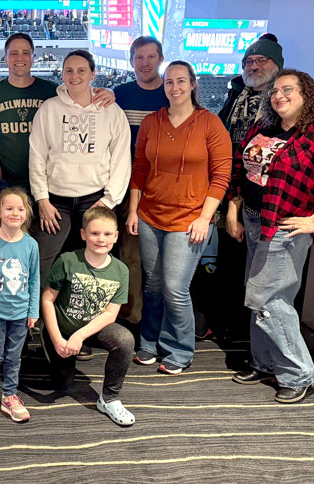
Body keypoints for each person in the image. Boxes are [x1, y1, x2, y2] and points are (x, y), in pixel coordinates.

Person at [126, 61, 231, 375]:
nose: (174, 87)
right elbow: (139, 170)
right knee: (153, 286)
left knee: (175, 287)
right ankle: (149, 342)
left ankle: (179, 349)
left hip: (189, 221)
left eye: (181, 81)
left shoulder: (210, 123)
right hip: (149, 216)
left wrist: (204, 217)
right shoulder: (152, 122)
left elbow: (222, 175)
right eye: (169, 82)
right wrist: (133, 209)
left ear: (193, 84)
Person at [227, 69, 314, 403]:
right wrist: (234, 208)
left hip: (285, 229)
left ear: (306, 94)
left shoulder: (310, 136)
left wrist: (312, 222)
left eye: (287, 89)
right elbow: (242, 170)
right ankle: (265, 362)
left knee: (268, 301)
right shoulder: (263, 128)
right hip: (253, 221)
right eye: (275, 90)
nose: (279, 95)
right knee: (260, 298)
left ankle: (299, 373)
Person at [29, 49, 131, 287]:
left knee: (95, 261)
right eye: (69, 71)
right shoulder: (49, 109)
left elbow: (121, 160)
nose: (75, 76)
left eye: (81, 70)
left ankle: (92, 319)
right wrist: (42, 199)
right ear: (62, 74)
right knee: (45, 261)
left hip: (95, 198)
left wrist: (108, 201)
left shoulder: (111, 111)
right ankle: (38, 319)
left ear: (93, 74)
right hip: (55, 200)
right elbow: (37, 156)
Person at [0, 33, 114, 193]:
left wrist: (109, 92)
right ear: (6, 58)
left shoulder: (53, 91)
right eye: (14, 53)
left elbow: (82, 97)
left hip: (49, 182)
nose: (20, 58)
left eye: (26, 53)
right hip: (7, 183)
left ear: (33, 57)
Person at [216, 34, 284, 340]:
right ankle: (230, 323)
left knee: (260, 273)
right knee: (231, 261)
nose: (254, 66)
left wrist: (237, 202)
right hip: (230, 187)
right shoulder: (237, 94)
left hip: (261, 198)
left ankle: (253, 331)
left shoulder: (281, 100)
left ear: (276, 65)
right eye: (249, 61)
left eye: (261, 61)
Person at [42, 206, 135, 426]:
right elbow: (47, 299)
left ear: (116, 236)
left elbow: (111, 314)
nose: (100, 239)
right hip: (61, 330)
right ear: (84, 234)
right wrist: (58, 339)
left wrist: (80, 337)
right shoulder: (67, 261)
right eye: (94, 233)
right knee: (63, 383)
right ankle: (59, 358)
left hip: (91, 329)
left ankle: (110, 398)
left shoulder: (121, 270)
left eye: (107, 234)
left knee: (125, 340)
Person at [112, 36, 169, 324]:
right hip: (125, 186)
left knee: (161, 259)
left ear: (161, 59)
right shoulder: (119, 94)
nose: (144, 63)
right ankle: (133, 316)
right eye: (139, 58)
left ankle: (157, 318)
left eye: (150, 57)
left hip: (161, 188)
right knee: (130, 254)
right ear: (131, 61)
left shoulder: (172, 95)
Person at [0, 187, 39, 422]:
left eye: (20, 209)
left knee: (14, 357)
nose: (15, 213)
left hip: (20, 314)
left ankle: (10, 395)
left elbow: (34, 279)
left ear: (27, 213)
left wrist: (33, 311)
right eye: (9, 208)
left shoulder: (31, 245)